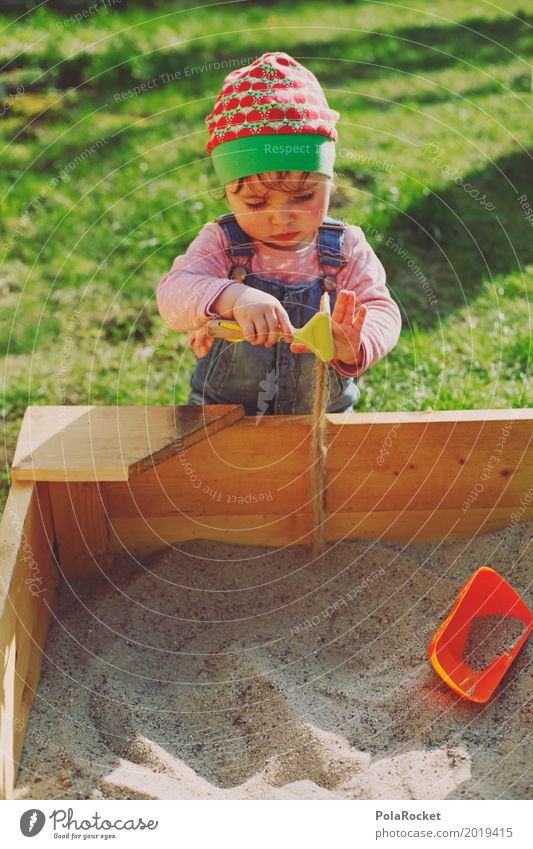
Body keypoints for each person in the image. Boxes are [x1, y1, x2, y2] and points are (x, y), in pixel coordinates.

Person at [157, 52, 401, 415]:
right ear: (227, 192)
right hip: (224, 417)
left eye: (304, 196)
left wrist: (357, 342)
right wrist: (233, 296)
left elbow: (381, 308)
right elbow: (172, 296)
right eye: (256, 203)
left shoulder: (345, 247)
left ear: (330, 182)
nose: (282, 218)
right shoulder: (223, 243)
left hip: (322, 415)